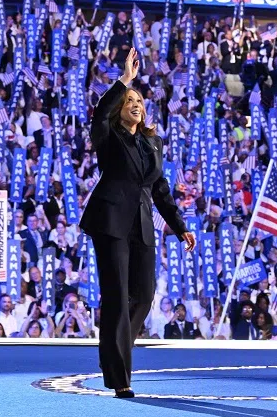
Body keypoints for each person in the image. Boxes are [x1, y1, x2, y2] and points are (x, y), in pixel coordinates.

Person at [79, 47, 196, 398]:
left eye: (139, 100)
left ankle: (113, 352)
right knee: (116, 295)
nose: (136, 103)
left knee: (144, 295)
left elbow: (160, 189)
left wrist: (179, 226)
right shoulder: (108, 136)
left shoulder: (152, 142)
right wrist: (124, 79)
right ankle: (120, 376)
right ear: (120, 107)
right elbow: (99, 114)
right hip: (111, 220)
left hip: (143, 225)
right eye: (130, 99)